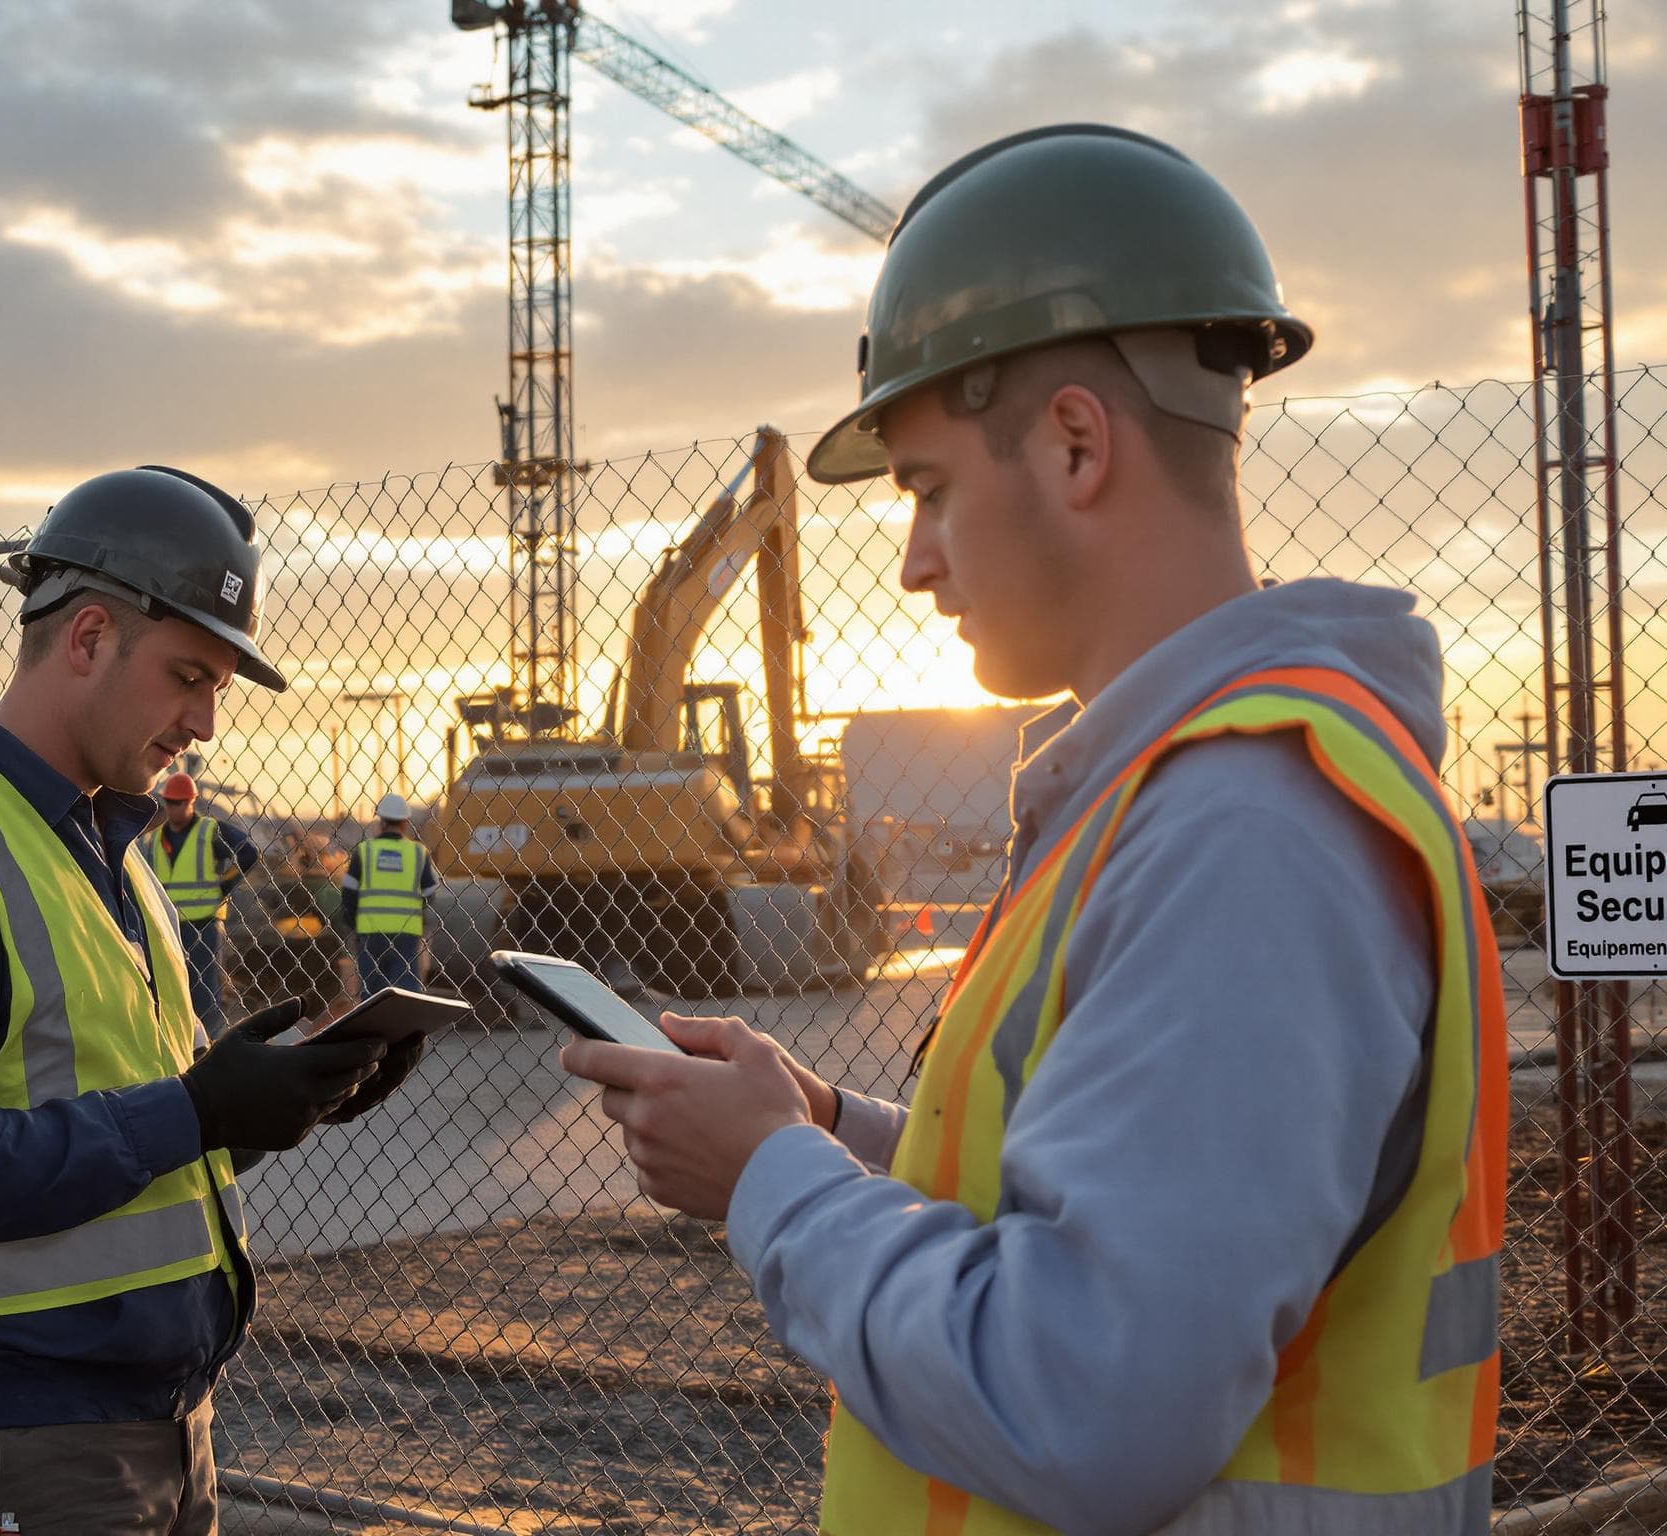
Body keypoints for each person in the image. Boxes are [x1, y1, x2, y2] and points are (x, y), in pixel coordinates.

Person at [558, 124, 1506, 1535]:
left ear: (1074, 444)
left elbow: (1087, 1399)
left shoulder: (1246, 832)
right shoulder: (1173, 799)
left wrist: (771, 1178)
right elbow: (1094, 1197)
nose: (913, 558)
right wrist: (825, 1125)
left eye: (930, 489)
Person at [0, 466, 426, 1536]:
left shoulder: (107, 854)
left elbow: (111, 1138)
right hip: (19, 1449)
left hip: (156, 1436)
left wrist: (276, 1106)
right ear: (86, 639)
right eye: (189, 676)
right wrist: (199, 1112)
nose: (207, 722)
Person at [141, 771, 258, 1038]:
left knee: (205, 989)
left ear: (191, 802)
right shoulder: (156, 838)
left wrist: (223, 886)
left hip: (203, 922)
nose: (174, 808)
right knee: (170, 987)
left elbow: (249, 853)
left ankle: (209, 1043)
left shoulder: (209, 831)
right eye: (170, 802)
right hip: (168, 924)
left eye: (180, 802)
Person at [339, 793, 434, 995]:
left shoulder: (364, 851)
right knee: (406, 992)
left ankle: (374, 1025)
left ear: (380, 821)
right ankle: (403, 1026)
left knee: (372, 993)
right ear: (405, 823)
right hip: (406, 933)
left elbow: (348, 893)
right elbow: (430, 892)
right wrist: (418, 913)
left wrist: (353, 922)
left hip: (370, 932)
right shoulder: (418, 852)